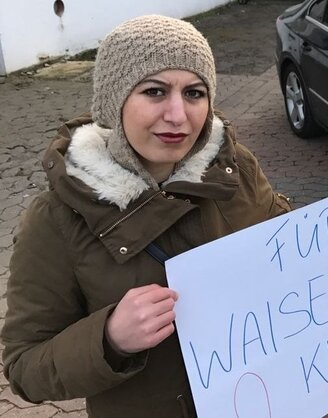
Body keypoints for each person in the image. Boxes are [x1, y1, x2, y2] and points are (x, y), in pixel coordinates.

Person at [0, 15, 294, 417]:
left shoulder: (235, 168)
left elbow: (285, 241)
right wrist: (108, 339)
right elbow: (24, 368)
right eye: (154, 91)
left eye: (194, 93)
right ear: (114, 100)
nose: (178, 115)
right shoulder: (57, 219)